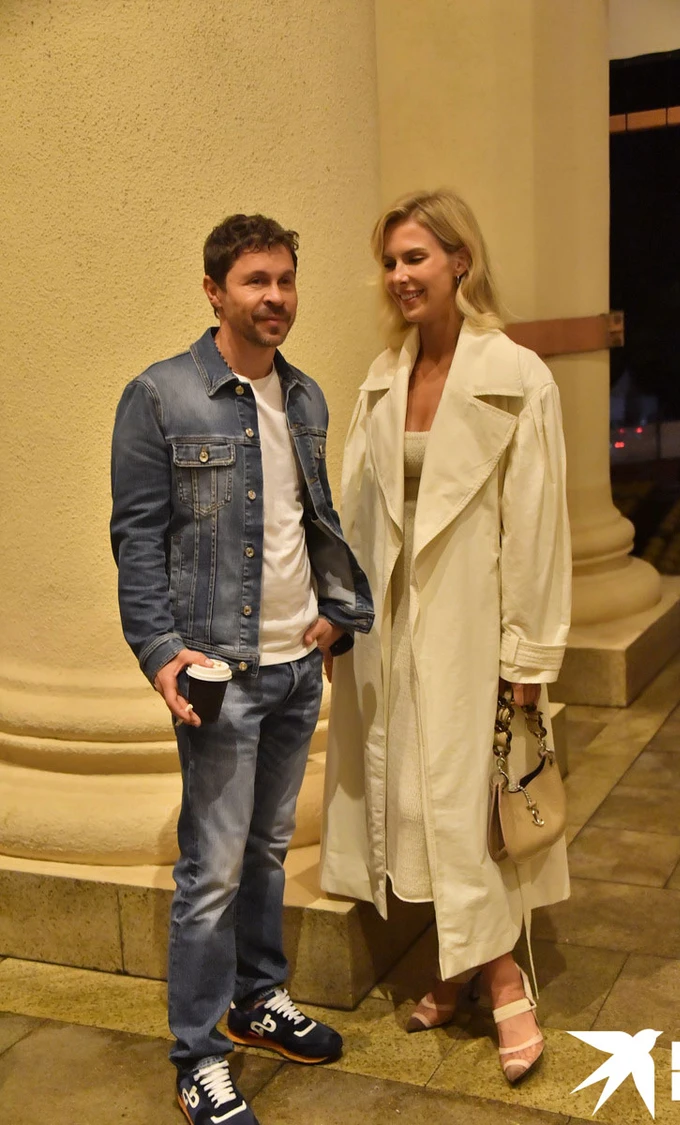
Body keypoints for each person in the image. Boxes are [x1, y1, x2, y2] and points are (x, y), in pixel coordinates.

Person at [110, 213, 374, 1125]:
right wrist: (159, 652)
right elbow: (137, 539)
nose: (276, 297)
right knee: (212, 869)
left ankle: (259, 997)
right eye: (257, 280)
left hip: (298, 665)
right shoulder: (160, 396)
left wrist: (336, 613)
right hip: (223, 674)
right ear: (214, 291)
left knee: (266, 850)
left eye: (286, 280)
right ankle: (198, 1056)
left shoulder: (304, 396)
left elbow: (310, 519)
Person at [320, 190, 571, 1086]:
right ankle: (457, 964)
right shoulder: (382, 378)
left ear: (460, 260)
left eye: (416, 257)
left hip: (474, 625)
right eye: (390, 261)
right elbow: (354, 512)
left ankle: (504, 981)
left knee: (473, 807)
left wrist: (527, 655)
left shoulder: (517, 376)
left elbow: (537, 526)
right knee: (417, 802)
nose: (400, 275)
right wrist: (341, 616)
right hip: (393, 630)